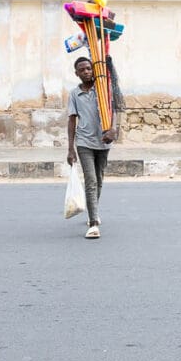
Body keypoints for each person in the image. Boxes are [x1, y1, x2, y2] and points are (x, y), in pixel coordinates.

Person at [67, 56, 118, 239]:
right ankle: (94, 222)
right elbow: (72, 120)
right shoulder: (74, 94)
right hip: (84, 142)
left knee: (99, 179)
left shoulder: (103, 89)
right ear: (77, 73)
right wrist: (70, 148)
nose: (86, 72)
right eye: (82, 70)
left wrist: (113, 130)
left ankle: (92, 211)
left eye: (89, 68)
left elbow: (114, 110)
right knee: (91, 180)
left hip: (103, 141)